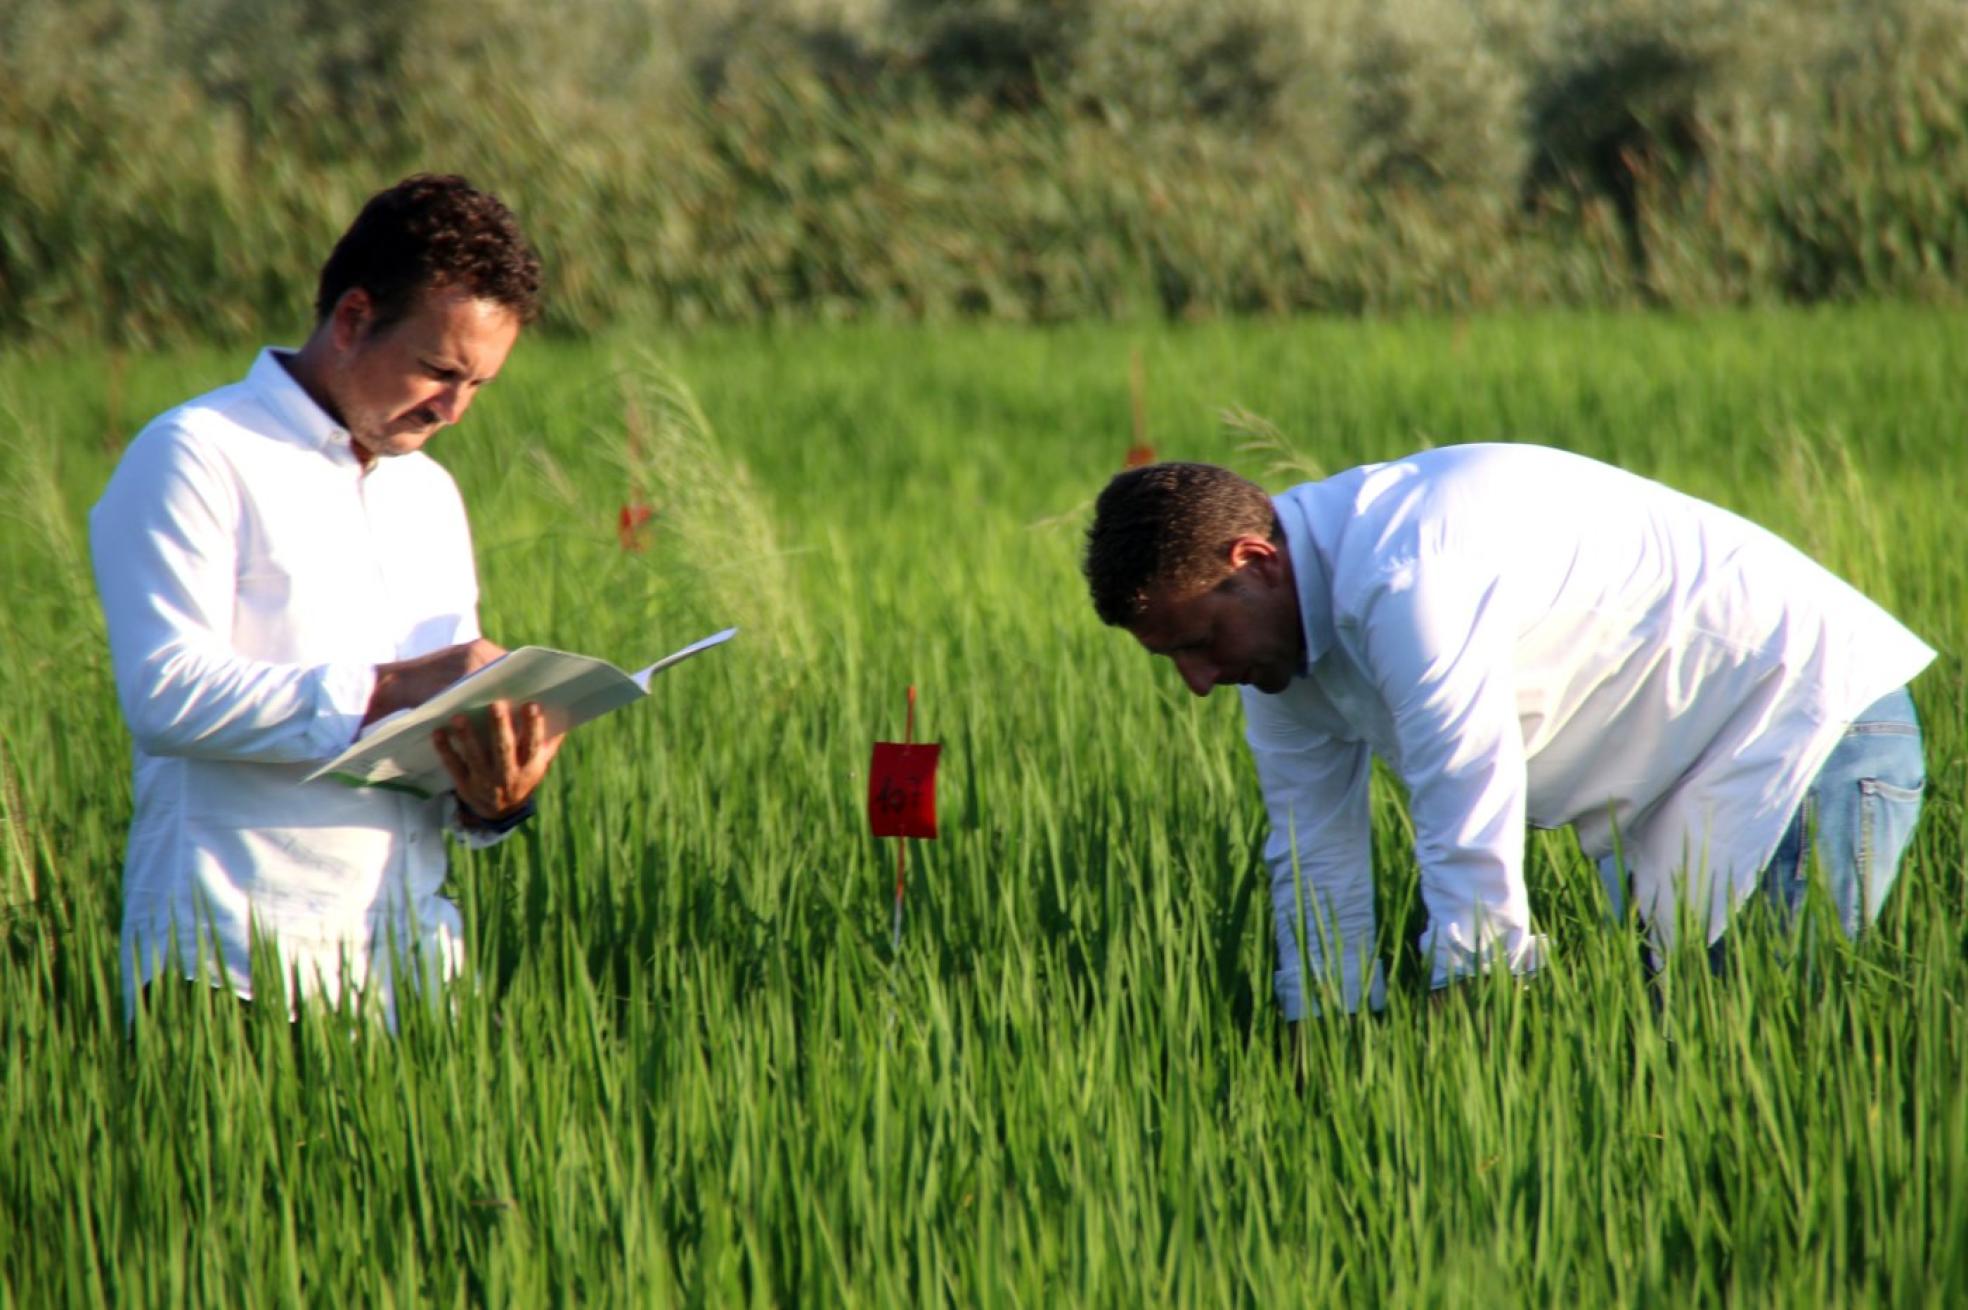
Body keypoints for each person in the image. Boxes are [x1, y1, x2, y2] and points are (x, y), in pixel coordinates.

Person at [1083, 445, 1934, 1018]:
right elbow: (1312, 849)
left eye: (1196, 644)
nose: (1197, 683)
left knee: (1762, 1061)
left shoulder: (1405, 572)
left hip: (1803, 724)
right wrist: (1326, 1029)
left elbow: (1467, 786)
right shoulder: (1275, 653)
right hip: (1659, 798)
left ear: (1254, 563)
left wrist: (1475, 1000)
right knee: (1674, 1073)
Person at [91, 174, 563, 1019]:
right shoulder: (199, 453)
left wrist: (492, 798)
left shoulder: (428, 496)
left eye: (480, 385)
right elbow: (164, 694)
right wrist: (392, 684)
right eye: (439, 370)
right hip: (227, 974)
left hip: (409, 976)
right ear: (351, 320)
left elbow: (428, 739)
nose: (455, 409)